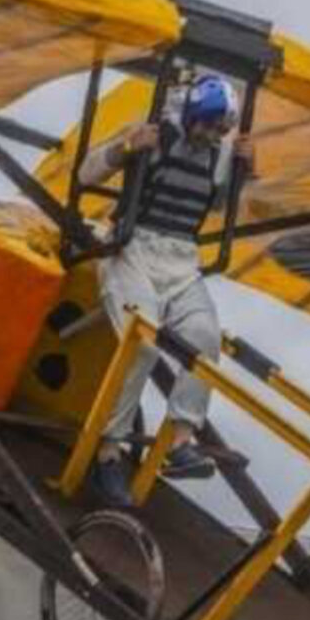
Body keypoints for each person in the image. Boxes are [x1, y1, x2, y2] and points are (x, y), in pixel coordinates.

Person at [77, 72, 253, 508]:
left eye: (221, 131)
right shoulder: (154, 133)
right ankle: (108, 453)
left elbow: (214, 203)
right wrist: (125, 149)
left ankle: (179, 439)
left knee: (205, 338)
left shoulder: (218, 154)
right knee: (142, 343)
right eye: (209, 126)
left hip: (181, 258)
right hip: (132, 246)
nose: (213, 136)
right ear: (194, 114)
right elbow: (86, 172)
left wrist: (243, 172)